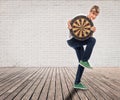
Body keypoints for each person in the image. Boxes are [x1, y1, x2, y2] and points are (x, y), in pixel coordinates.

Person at [67, 5, 100, 90]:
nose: (94, 16)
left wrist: (91, 31)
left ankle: (77, 83)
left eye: (96, 15)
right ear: (90, 12)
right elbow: (69, 21)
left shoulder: (91, 25)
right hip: (72, 40)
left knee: (81, 63)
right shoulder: (82, 16)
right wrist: (69, 26)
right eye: (93, 13)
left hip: (78, 43)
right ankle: (85, 60)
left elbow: (85, 37)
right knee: (93, 40)